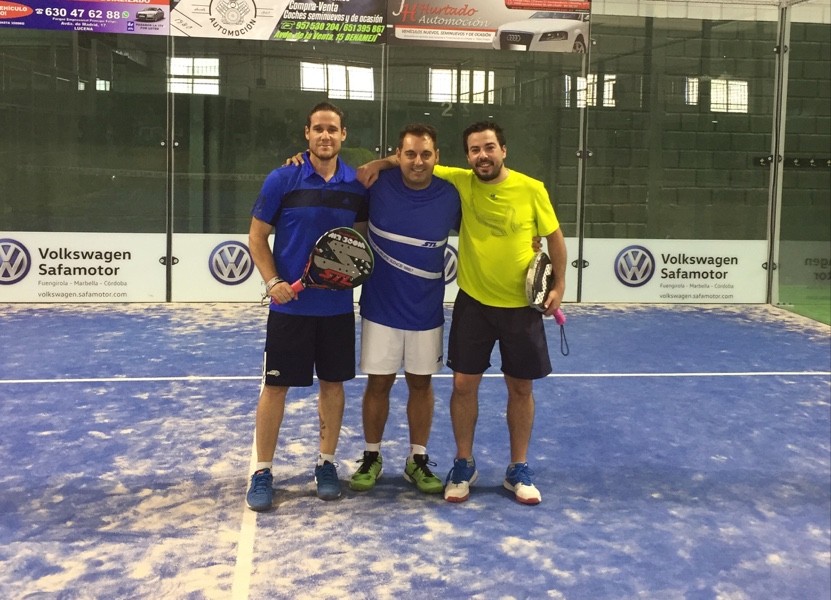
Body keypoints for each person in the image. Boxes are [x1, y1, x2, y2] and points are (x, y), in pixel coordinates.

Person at [358, 121, 566, 506]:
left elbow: (554, 238)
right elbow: (410, 161)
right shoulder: (461, 182)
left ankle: (518, 468)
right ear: (466, 156)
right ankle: (463, 464)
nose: (482, 156)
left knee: (521, 388)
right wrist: (379, 163)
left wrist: (559, 286)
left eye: (489, 148)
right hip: (473, 304)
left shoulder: (531, 188)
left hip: (521, 309)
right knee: (462, 386)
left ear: (503, 150)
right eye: (474, 150)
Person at [245, 102, 369, 511]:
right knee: (275, 387)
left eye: (332, 129)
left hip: (336, 311)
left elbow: (358, 242)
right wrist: (273, 282)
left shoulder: (357, 186)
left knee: (333, 386)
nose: (325, 135)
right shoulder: (283, 178)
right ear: (307, 133)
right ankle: (262, 470)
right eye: (318, 129)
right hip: (290, 311)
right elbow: (257, 237)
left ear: (343, 134)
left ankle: (326, 464)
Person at [348, 124, 461, 495]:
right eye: (410, 154)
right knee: (379, 383)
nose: (418, 161)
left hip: (426, 310)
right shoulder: (375, 185)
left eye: (426, 154)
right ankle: (371, 456)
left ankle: (417, 459)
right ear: (398, 155)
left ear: (437, 157)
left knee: (421, 383)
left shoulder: (451, 195)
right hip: (380, 307)